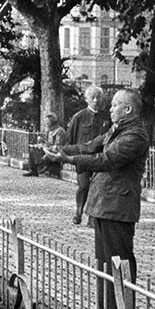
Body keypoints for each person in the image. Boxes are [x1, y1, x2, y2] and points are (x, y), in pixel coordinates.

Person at [46, 88, 150, 309]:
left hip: (118, 205)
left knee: (119, 260)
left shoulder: (135, 135)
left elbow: (107, 160)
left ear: (128, 109)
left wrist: (68, 160)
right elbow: (91, 146)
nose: (110, 108)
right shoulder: (118, 129)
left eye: (114, 105)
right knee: (104, 262)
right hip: (104, 204)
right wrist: (63, 151)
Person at [64, 86, 109, 224]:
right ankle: (78, 213)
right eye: (92, 97)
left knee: (98, 188)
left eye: (98, 97)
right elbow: (70, 139)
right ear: (87, 99)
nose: (96, 100)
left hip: (99, 159)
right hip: (83, 159)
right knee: (83, 186)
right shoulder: (79, 117)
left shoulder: (106, 117)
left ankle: (92, 217)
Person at [23, 113, 66, 178]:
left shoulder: (60, 131)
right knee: (32, 149)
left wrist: (46, 149)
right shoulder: (50, 130)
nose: (46, 123)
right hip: (48, 149)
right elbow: (49, 143)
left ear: (52, 122)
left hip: (55, 152)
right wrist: (42, 141)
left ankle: (43, 167)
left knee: (37, 152)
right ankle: (33, 170)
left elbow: (57, 146)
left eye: (48, 122)